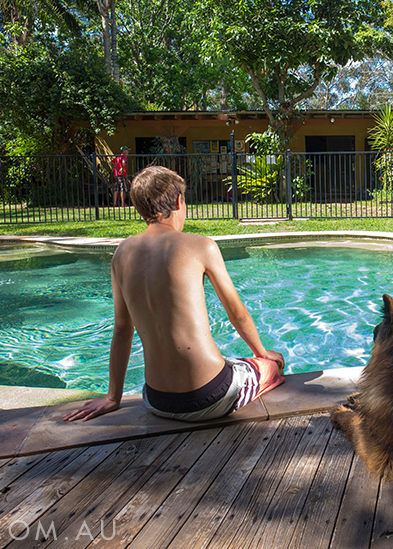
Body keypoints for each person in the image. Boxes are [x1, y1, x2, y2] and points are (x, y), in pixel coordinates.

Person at [64, 165, 285, 423]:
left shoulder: (121, 254)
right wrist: (262, 352)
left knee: (230, 361)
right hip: (211, 395)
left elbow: (122, 330)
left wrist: (113, 398)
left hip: (157, 401)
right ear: (179, 201)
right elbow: (238, 314)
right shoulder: (202, 245)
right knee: (271, 366)